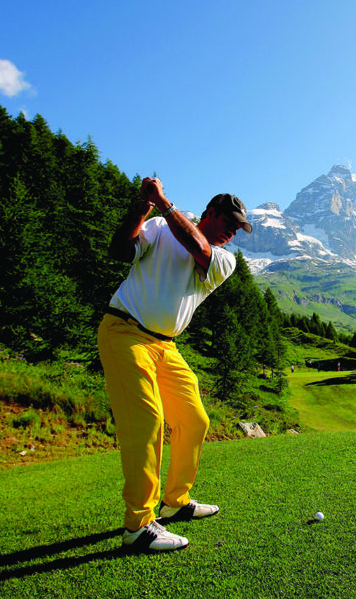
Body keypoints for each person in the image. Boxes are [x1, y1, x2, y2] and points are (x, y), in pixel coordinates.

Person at [98, 176, 252, 553]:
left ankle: (176, 502)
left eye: (237, 229)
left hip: (166, 347)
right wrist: (143, 208)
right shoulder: (158, 227)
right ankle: (138, 524)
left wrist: (164, 204)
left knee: (194, 419)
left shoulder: (224, 259)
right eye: (227, 223)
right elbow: (120, 250)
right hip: (124, 331)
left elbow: (198, 247)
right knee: (147, 421)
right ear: (209, 213)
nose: (231, 233)